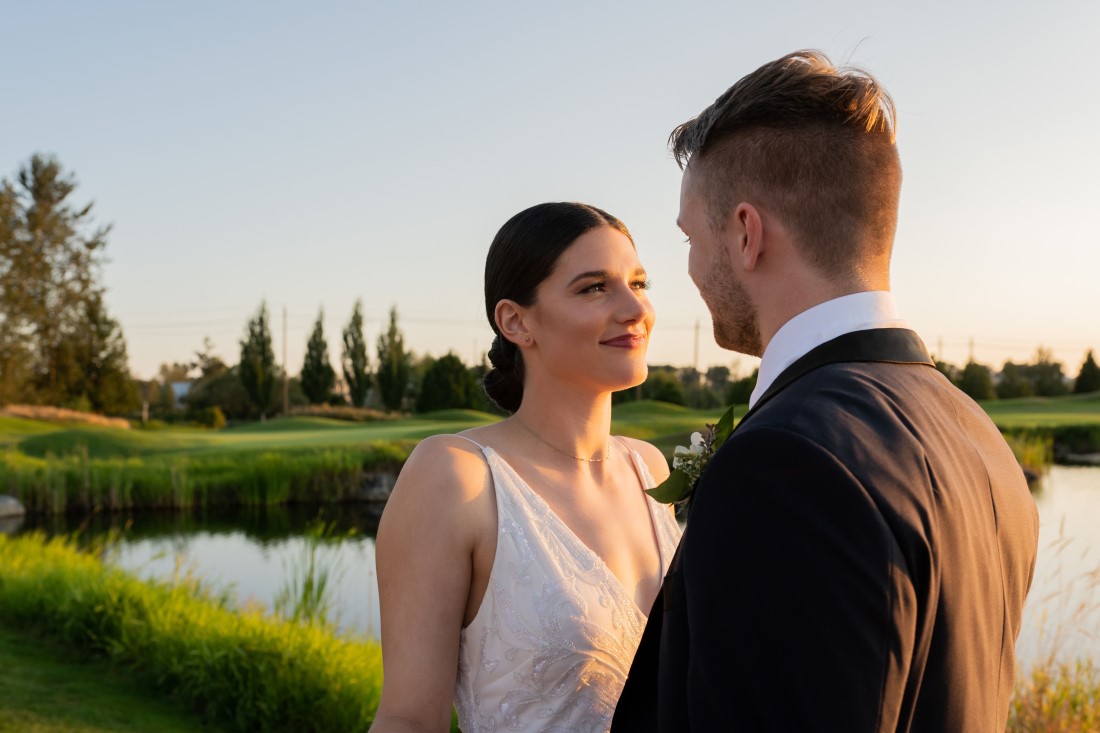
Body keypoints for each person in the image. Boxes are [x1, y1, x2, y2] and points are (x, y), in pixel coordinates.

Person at [612, 50, 1040, 732]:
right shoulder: (977, 433)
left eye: (691, 237)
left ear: (746, 234)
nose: (689, 267)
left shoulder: (782, 466)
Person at [371, 202, 682, 733]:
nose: (635, 308)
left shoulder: (649, 468)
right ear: (516, 321)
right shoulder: (455, 476)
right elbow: (408, 719)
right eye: (594, 288)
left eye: (638, 283)